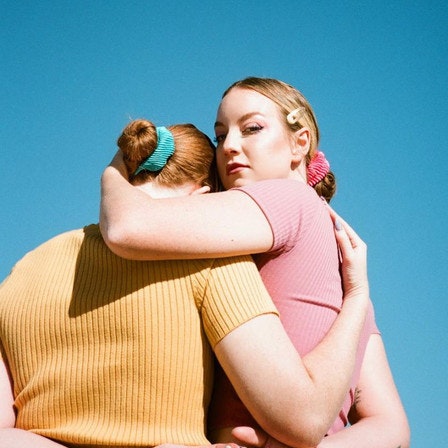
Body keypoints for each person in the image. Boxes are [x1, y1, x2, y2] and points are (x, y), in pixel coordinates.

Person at [0, 119, 370, 448]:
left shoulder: (24, 270)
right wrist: (356, 296)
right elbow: (301, 418)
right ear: (204, 197)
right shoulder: (215, 261)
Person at [99, 77, 410, 447]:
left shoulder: (289, 199)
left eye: (252, 129)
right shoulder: (345, 271)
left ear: (300, 143)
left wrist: (117, 167)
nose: (229, 146)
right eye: (220, 136)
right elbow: (391, 426)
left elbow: (125, 227)